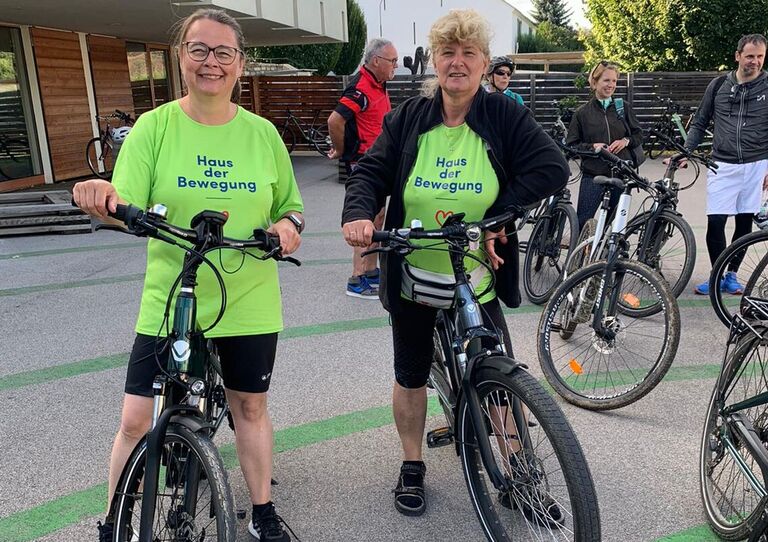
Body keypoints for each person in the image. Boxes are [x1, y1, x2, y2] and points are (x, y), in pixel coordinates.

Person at [73, 9, 303, 542]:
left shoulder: (263, 134)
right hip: (172, 295)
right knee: (136, 420)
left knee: (250, 406)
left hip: (248, 294)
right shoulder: (154, 128)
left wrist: (288, 228)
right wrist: (101, 195)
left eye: (223, 52)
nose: (210, 62)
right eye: (198, 49)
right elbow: (123, 199)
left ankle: (263, 512)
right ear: (181, 57)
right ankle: (114, 522)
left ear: (240, 63)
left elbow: (291, 207)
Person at [341, 9, 568, 520]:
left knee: (498, 373)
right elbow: (372, 170)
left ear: (484, 63)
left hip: (476, 270)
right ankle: (412, 463)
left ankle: (519, 471)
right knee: (410, 373)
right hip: (413, 271)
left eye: (468, 53)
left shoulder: (503, 115)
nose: (457, 62)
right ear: (435, 62)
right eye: (448, 52)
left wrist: (500, 215)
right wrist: (358, 214)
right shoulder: (410, 118)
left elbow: (551, 167)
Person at [684, 34, 768, 295]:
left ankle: (731, 275)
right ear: (738, 56)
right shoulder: (719, 85)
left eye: (760, 56)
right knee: (716, 221)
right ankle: (716, 275)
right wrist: (686, 151)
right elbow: (700, 121)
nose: (755, 61)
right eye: (750, 56)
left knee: (744, 223)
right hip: (722, 164)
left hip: (756, 164)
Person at [327, 38, 398, 299]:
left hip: (379, 161)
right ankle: (357, 278)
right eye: (392, 61)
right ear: (376, 61)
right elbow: (335, 120)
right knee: (364, 219)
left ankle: (370, 270)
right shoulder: (360, 88)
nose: (396, 65)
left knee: (378, 217)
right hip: (363, 163)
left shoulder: (378, 83)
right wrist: (341, 150)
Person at [565, 61, 644, 232]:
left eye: (614, 81)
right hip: (593, 176)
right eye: (606, 80)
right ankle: (582, 250)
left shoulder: (623, 108)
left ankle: (605, 250)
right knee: (583, 224)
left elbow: (639, 135)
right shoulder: (582, 113)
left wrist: (625, 141)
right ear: (594, 82)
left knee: (613, 228)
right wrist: (593, 147)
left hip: (620, 175)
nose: (611, 85)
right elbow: (572, 145)